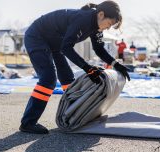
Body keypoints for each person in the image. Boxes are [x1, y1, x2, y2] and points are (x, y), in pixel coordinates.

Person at [20, 0, 130, 134]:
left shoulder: (96, 27)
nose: (108, 28)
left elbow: (99, 49)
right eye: (109, 24)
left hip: (55, 43)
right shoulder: (83, 19)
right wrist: (87, 68)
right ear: (101, 14)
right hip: (37, 36)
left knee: (68, 80)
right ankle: (28, 123)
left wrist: (116, 65)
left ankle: (73, 116)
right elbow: (67, 48)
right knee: (48, 79)